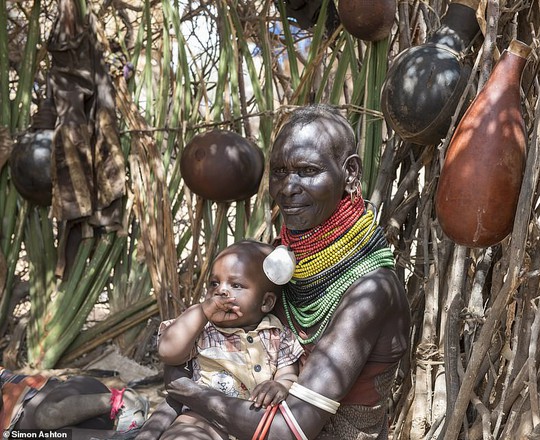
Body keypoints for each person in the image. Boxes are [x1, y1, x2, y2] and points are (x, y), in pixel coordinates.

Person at [164, 104, 412, 439]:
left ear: (350, 173)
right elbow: (193, 359)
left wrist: (189, 392)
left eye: (307, 170)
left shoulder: (371, 291)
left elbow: (288, 430)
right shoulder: (275, 267)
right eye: (279, 172)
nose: (288, 187)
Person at [137, 240, 304, 440]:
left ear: (266, 302)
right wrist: (201, 312)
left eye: (236, 285)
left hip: (249, 424)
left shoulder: (277, 334)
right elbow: (168, 352)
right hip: (201, 421)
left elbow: (288, 374)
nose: (221, 291)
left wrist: (280, 385)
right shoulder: (202, 327)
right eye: (214, 283)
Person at [1, 366, 149, 439]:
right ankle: (126, 436)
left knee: (46, 416)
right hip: (80, 430)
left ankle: (124, 401)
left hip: (80, 401)